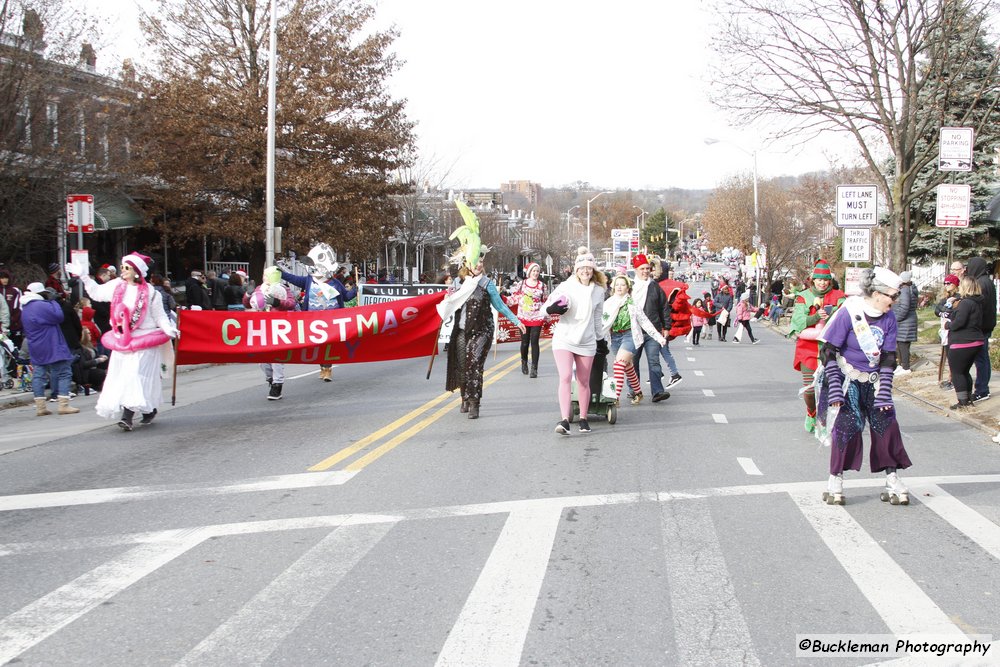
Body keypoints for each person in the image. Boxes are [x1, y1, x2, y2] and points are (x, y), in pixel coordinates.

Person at [817, 267, 912, 506]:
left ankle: (892, 478)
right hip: (847, 378)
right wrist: (835, 386)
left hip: (875, 380)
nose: (895, 300)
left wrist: (885, 392)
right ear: (877, 293)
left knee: (887, 425)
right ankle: (835, 479)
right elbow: (828, 350)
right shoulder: (850, 311)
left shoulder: (889, 317)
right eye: (892, 295)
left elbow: (889, 356)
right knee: (847, 427)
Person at [69, 253, 179, 431]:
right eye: (122, 267)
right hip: (123, 339)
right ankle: (148, 410)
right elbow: (96, 293)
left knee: (135, 375)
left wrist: (168, 328)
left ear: (136, 271)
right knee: (122, 376)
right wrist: (83, 276)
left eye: (127, 268)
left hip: (145, 339)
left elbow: (159, 316)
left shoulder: (151, 293)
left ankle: (127, 416)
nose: (123, 271)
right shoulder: (116, 286)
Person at [438, 207, 525, 420]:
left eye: (481, 262)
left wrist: (517, 321)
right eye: (475, 261)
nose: (479, 265)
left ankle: (475, 402)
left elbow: (501, 306)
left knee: (474, 364)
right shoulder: (459, 283)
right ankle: (464, 398)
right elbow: (447, 306)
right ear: (467, 262)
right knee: (461, 364)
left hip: (482, 331)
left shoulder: (487, 284)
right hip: (460, 331)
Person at [544, 247, 606, 434]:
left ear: (593, 270)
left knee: (583, 381)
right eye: (581, 268)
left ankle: (584, 419)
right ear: (576, 270)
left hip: (586, 341)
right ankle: (564, 420)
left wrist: (601, 339)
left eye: (588, 268)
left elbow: (597, 318)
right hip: (564, 338)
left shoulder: (599, 291)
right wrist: (552, 309)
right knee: (564, 377)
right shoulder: (566, 287)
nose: (585, 271)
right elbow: (547, 306)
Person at [278, 242, 356, 382]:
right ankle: (322, 367)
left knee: (328, 345)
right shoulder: (309, 280)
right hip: (313, 319)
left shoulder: (335, 283)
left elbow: (346, 296)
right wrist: (281, 273)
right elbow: (294, 279)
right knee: (318, 345)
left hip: (332, 320)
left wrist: (357, 289)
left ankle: (328, 369)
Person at [789, 259, 846, 433]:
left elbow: (845, 318)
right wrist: (815, 318)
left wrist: (829, 316)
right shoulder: (803, 296)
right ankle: (811, 412)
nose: (822, 283)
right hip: (807, 348)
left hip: (831, 348)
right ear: (813, 280)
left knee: (830, 387)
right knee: (810, 389)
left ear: (830, 280)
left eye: (825, 279)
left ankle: (825, 418)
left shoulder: (839, 296)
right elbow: (797, 322)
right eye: (819, 279)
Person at [602, 273, 666, 406]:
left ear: (628, 288)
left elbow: (644, 322)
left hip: (629, 336)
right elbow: (602, 322)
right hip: (615, 337)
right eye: (617, 284)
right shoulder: (608, 303)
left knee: (619, 364)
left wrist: (658, 337)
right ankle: (638, 392)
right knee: (627, 366)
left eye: (623, 284)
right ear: (613, 287)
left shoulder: (632, 303)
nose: (619, 287)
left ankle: (615, 398)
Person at [20, 283, 79, 416]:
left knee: (39, 375)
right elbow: (59, 317)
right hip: (52, 343)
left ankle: (40, 407)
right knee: (64, 372)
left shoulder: (26, 308)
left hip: (35, 345)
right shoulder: (43, 305)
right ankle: (63, 404)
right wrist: (53, 302)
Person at [629, 253, 677, 403]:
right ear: (635, 269)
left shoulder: (654, 286)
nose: (645, 271)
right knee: (633, 362)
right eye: (642, 268)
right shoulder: (629, 286)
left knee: (654, 361)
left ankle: (657, 391)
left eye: (647, 268)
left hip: (653, 331)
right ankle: (634, 390)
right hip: (634, 331)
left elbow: (664, 307)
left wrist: (667, 326)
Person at [244, 266, 297, 400]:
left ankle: (277, 385)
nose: (264, 278)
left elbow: (291, 303)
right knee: (263, 359)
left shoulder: (283, 288)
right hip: (262, 327)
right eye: (264, 275)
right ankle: (270, 377)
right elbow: (248, 304)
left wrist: (278, 302)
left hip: (277, 327)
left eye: (267, 275)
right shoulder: (259, 289)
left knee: (276, 358)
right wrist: (248, 294)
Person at [945, 276, 985, 410]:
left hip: (962, 342)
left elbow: (959, 322)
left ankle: (962, 402)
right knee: (965, 371)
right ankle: (967, 399)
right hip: (975, 341)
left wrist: (948, 325)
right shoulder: (977, 302)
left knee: (957, 373)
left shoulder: (966, 303)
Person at [506, 262, 548, 378]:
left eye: (537, 271)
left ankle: (534, 368)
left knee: (534, 342)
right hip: (523, 317)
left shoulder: (542, 286)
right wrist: (504, 299)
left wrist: (547, 316)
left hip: (537, 316)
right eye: (533, 271)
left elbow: (545, 301)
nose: (535, 273)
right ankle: (524, 362)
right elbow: (515, 297)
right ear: (529, 272)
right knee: (525, 342)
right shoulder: (522, 284)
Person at [966, 257, 996, 402]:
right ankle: (982, 388)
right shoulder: (987, 281)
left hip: (981, 326)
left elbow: (979, 307)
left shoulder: (981, 283)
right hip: (987, 325)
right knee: (983, 358)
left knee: (981, 359)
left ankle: (982, 389)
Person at [935, 274, 960, 390]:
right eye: (945, 283)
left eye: (949, 283)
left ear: (955, 284)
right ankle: (949, 378)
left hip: (954, 329)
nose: (946, 285)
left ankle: (953, 379)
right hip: (945, 330)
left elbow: (953, 310)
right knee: (947, 355)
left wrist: (946, 311)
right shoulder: (944, 298)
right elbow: (937, 309)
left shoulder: (958, 297)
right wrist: (942, 313)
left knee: (953, 356)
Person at [891, 271, 918, 374]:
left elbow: (905, 307)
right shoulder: (910, 288)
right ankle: (901, 365)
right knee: (901, 344)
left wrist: (896, 318)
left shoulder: (905, 290)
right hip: (907, 321)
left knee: (903, 345)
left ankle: (905, 367)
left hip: (905, 322)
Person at [77, 327, 108, 394]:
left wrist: (101, 357)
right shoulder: (80, 348)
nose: (90, 334)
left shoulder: (90, 345)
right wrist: (98, 360)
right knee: (102, 373)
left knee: (107, 362)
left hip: (94, 367)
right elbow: (84, 364)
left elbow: (95, 356)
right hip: (88, 371)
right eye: (88, 333)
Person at [0, 269, 23, 353]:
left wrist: (13, 320)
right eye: (2, 278)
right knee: (3, 347)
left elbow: (18, 307)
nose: (4, 280)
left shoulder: (15, 291)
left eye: (6, 278)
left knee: (15, 347)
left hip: (14, 325)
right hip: (2, 327)